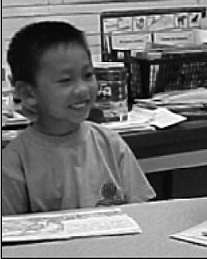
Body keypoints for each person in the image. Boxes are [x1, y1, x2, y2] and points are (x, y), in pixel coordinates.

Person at [2, 21, 156, 215]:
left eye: (88, 75)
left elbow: (143, 212)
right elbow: (11, 234)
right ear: (28, 93)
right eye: (66, 80)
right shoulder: (14, 162)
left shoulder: (110, 144)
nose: (83, 89)